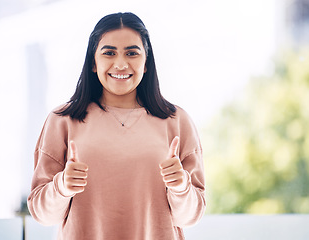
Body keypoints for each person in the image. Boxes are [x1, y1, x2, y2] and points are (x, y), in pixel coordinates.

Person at [27, 12, 205, 240]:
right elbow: (42, 215)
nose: (121, 64)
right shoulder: (62, 120)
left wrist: (181, 188)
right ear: (93, 62)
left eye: (132, 53)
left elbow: (191, 217)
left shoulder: (177, 121)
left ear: (146, 62)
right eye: (109, 53)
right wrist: (61, 187)